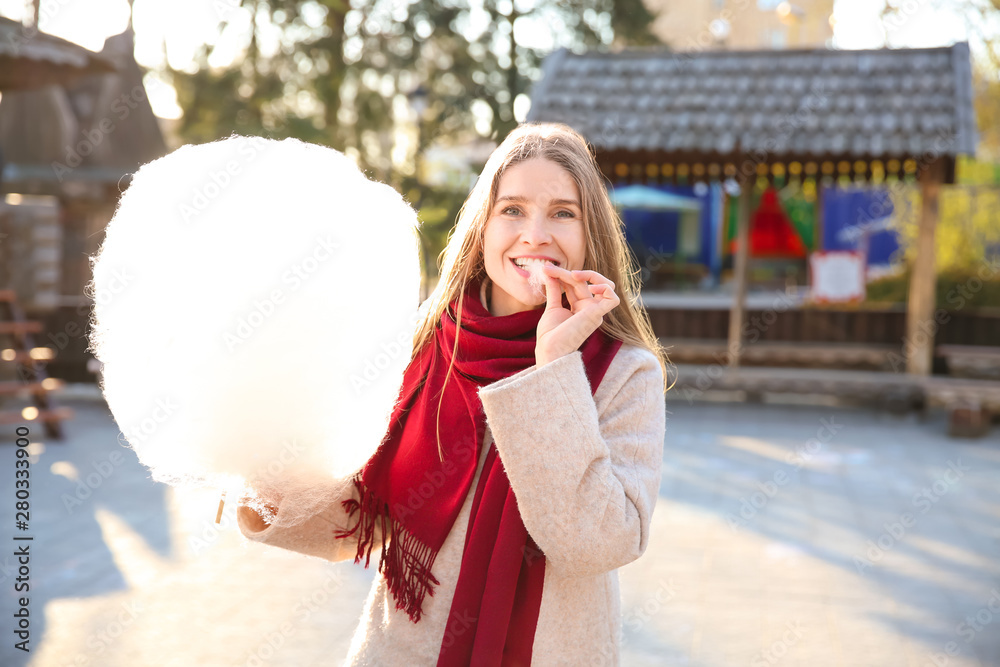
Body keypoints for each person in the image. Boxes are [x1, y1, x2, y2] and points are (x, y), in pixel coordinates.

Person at [237, 122, 669, 666]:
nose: (535, 233)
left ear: (591, 236)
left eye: (563, 212)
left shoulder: (624, 372)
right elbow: (367, 515)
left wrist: (552, 368)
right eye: (511, 209)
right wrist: (261, 468)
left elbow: (599, 541)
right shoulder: (426, 343)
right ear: (482, 227)